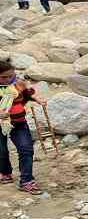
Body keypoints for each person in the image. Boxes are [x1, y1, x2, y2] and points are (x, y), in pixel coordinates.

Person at [0, 60, 45, 194]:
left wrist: (37, 99)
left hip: (18, 122)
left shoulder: (18, 84)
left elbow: (28, 93)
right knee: (1, 151)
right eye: (4, 77)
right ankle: (5, 172)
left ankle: (26, 181)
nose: (8, 79)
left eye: (10, 76)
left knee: (26, 149)